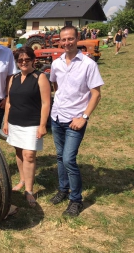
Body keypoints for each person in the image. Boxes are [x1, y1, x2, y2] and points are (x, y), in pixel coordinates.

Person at [49, 25, 104, 217]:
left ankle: (76, 199)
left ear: (77, 38)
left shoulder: (88, 64)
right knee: (59, 156)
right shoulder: (56, 64)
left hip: (76, 120)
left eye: (70, 39)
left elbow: (96, 94)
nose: (66, 43)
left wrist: (84, 117)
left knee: (68, 159)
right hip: (57, 116)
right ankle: (63, 190)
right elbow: (56, 85)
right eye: (63, 40)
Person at [2, 46, 51, 207]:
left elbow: (45, 103)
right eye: (20, 60)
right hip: (15, 121)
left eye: (27, 59)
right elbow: (9, 101)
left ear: (33, 60)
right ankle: (22, 179)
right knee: (18, 151)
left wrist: (43, 125)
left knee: (29, 155)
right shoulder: (14, 78)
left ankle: (29, 191)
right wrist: (6, 121)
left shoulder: (40, 77)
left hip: (32, 123)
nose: (23, 62)